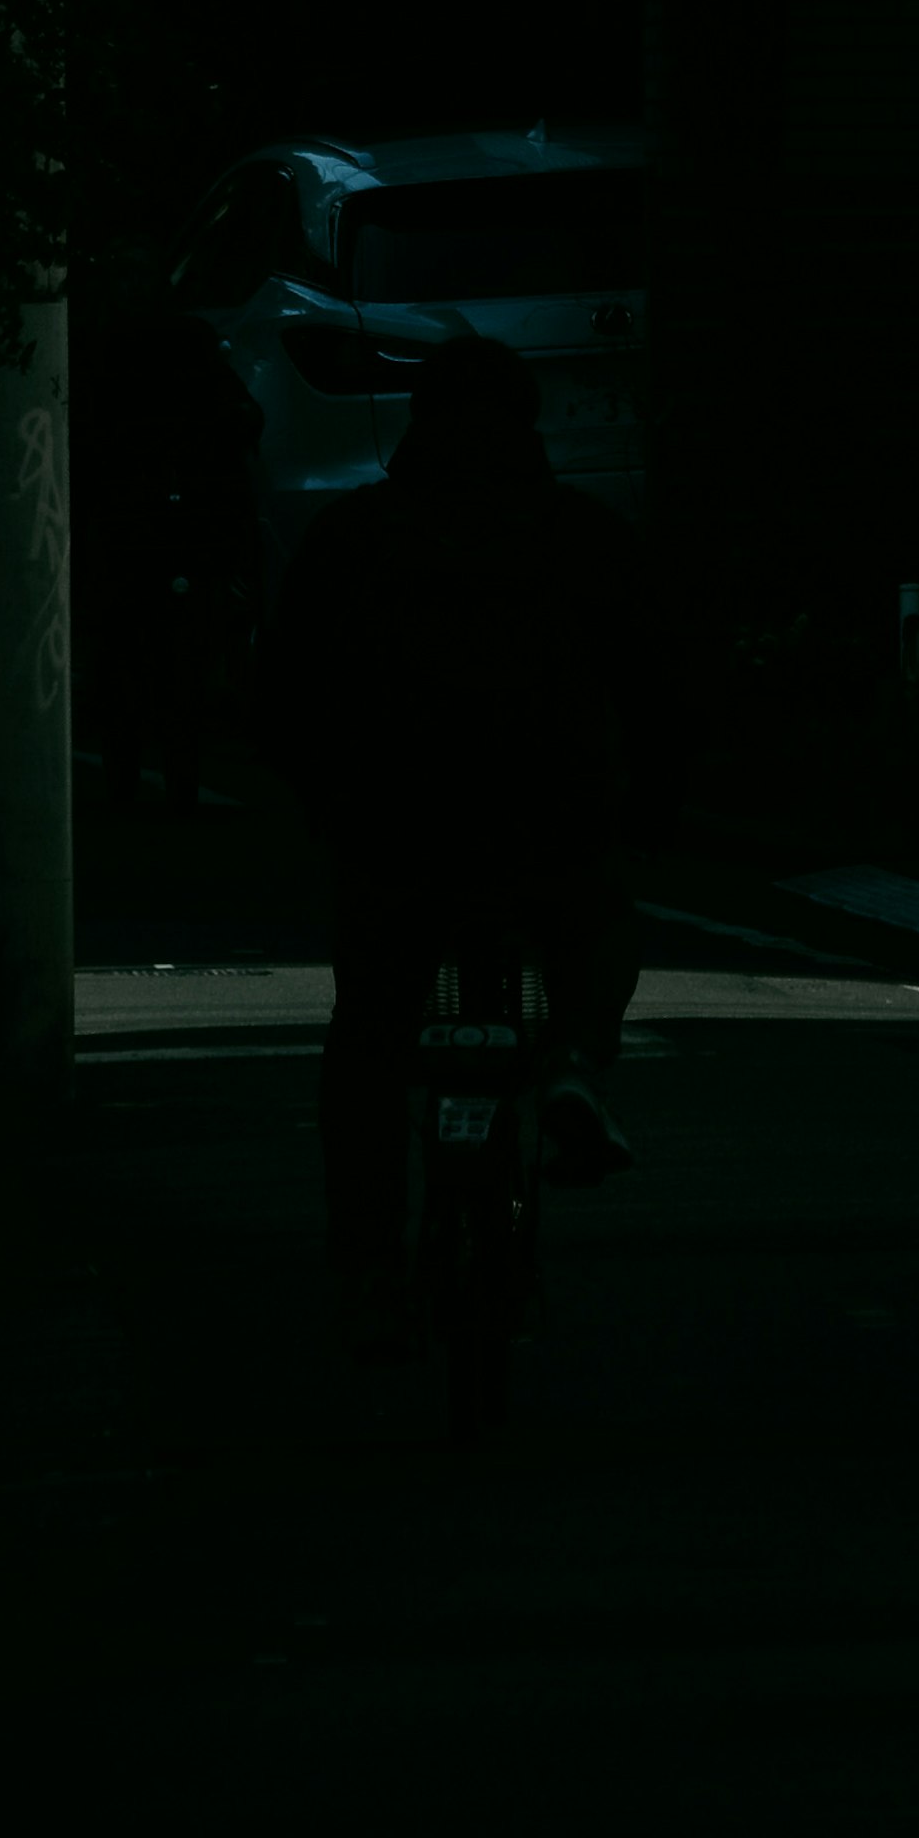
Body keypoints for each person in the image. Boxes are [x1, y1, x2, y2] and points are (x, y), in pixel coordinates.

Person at [261, 323, 661, 1347]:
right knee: (597, 924)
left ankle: (366, 1256)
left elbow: (285, 683)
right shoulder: (581, 534)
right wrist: (640, 793)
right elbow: (662, 683)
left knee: (370, 1036)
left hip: (395, 826)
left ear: (420, 419)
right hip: (550, 818)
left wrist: (322, 798)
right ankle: (572, 1059)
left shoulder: (356, 536)